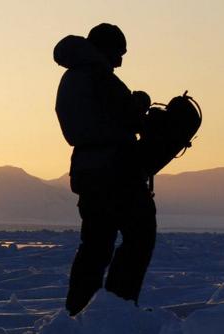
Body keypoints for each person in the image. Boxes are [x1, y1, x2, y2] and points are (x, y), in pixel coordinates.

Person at [54, 23, 156, 315]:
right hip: (115, 170)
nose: (121, 61)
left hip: (87, 170)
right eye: (119, 53)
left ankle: (80, 311)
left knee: (95, 246)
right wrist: (141, 103)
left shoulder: (72, 76)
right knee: (140, 235)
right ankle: (117, 309)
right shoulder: (100, 77)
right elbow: (129, 117)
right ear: (106, 49)